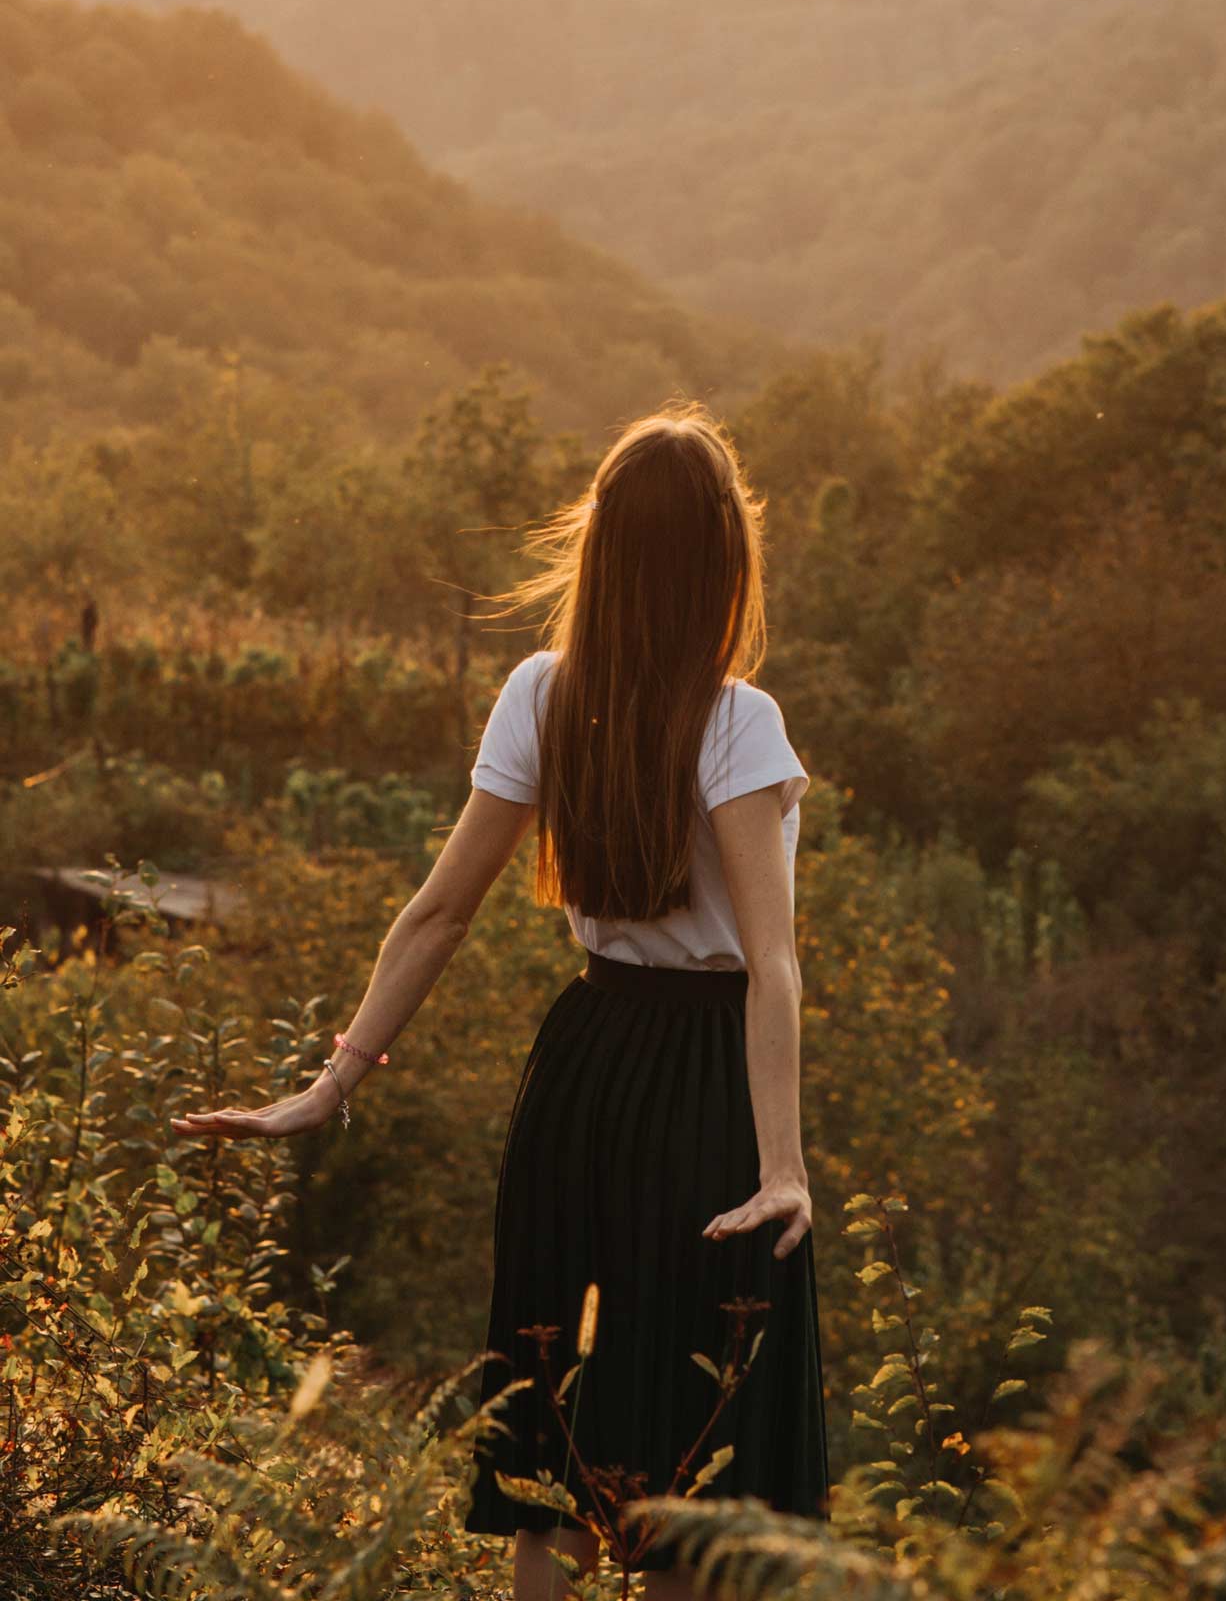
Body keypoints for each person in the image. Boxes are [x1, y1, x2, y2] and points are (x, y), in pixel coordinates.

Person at [171, 401, 831, 1600]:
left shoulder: (541, 690)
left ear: (603, 554)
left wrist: (331, 1085)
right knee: (693, 1467)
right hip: (704, 1088)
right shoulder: (738, 721)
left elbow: (437, 913)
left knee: (559, 1468)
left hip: (579, 1072)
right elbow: (771, 961)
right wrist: (780, 1165)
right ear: (724, 560)